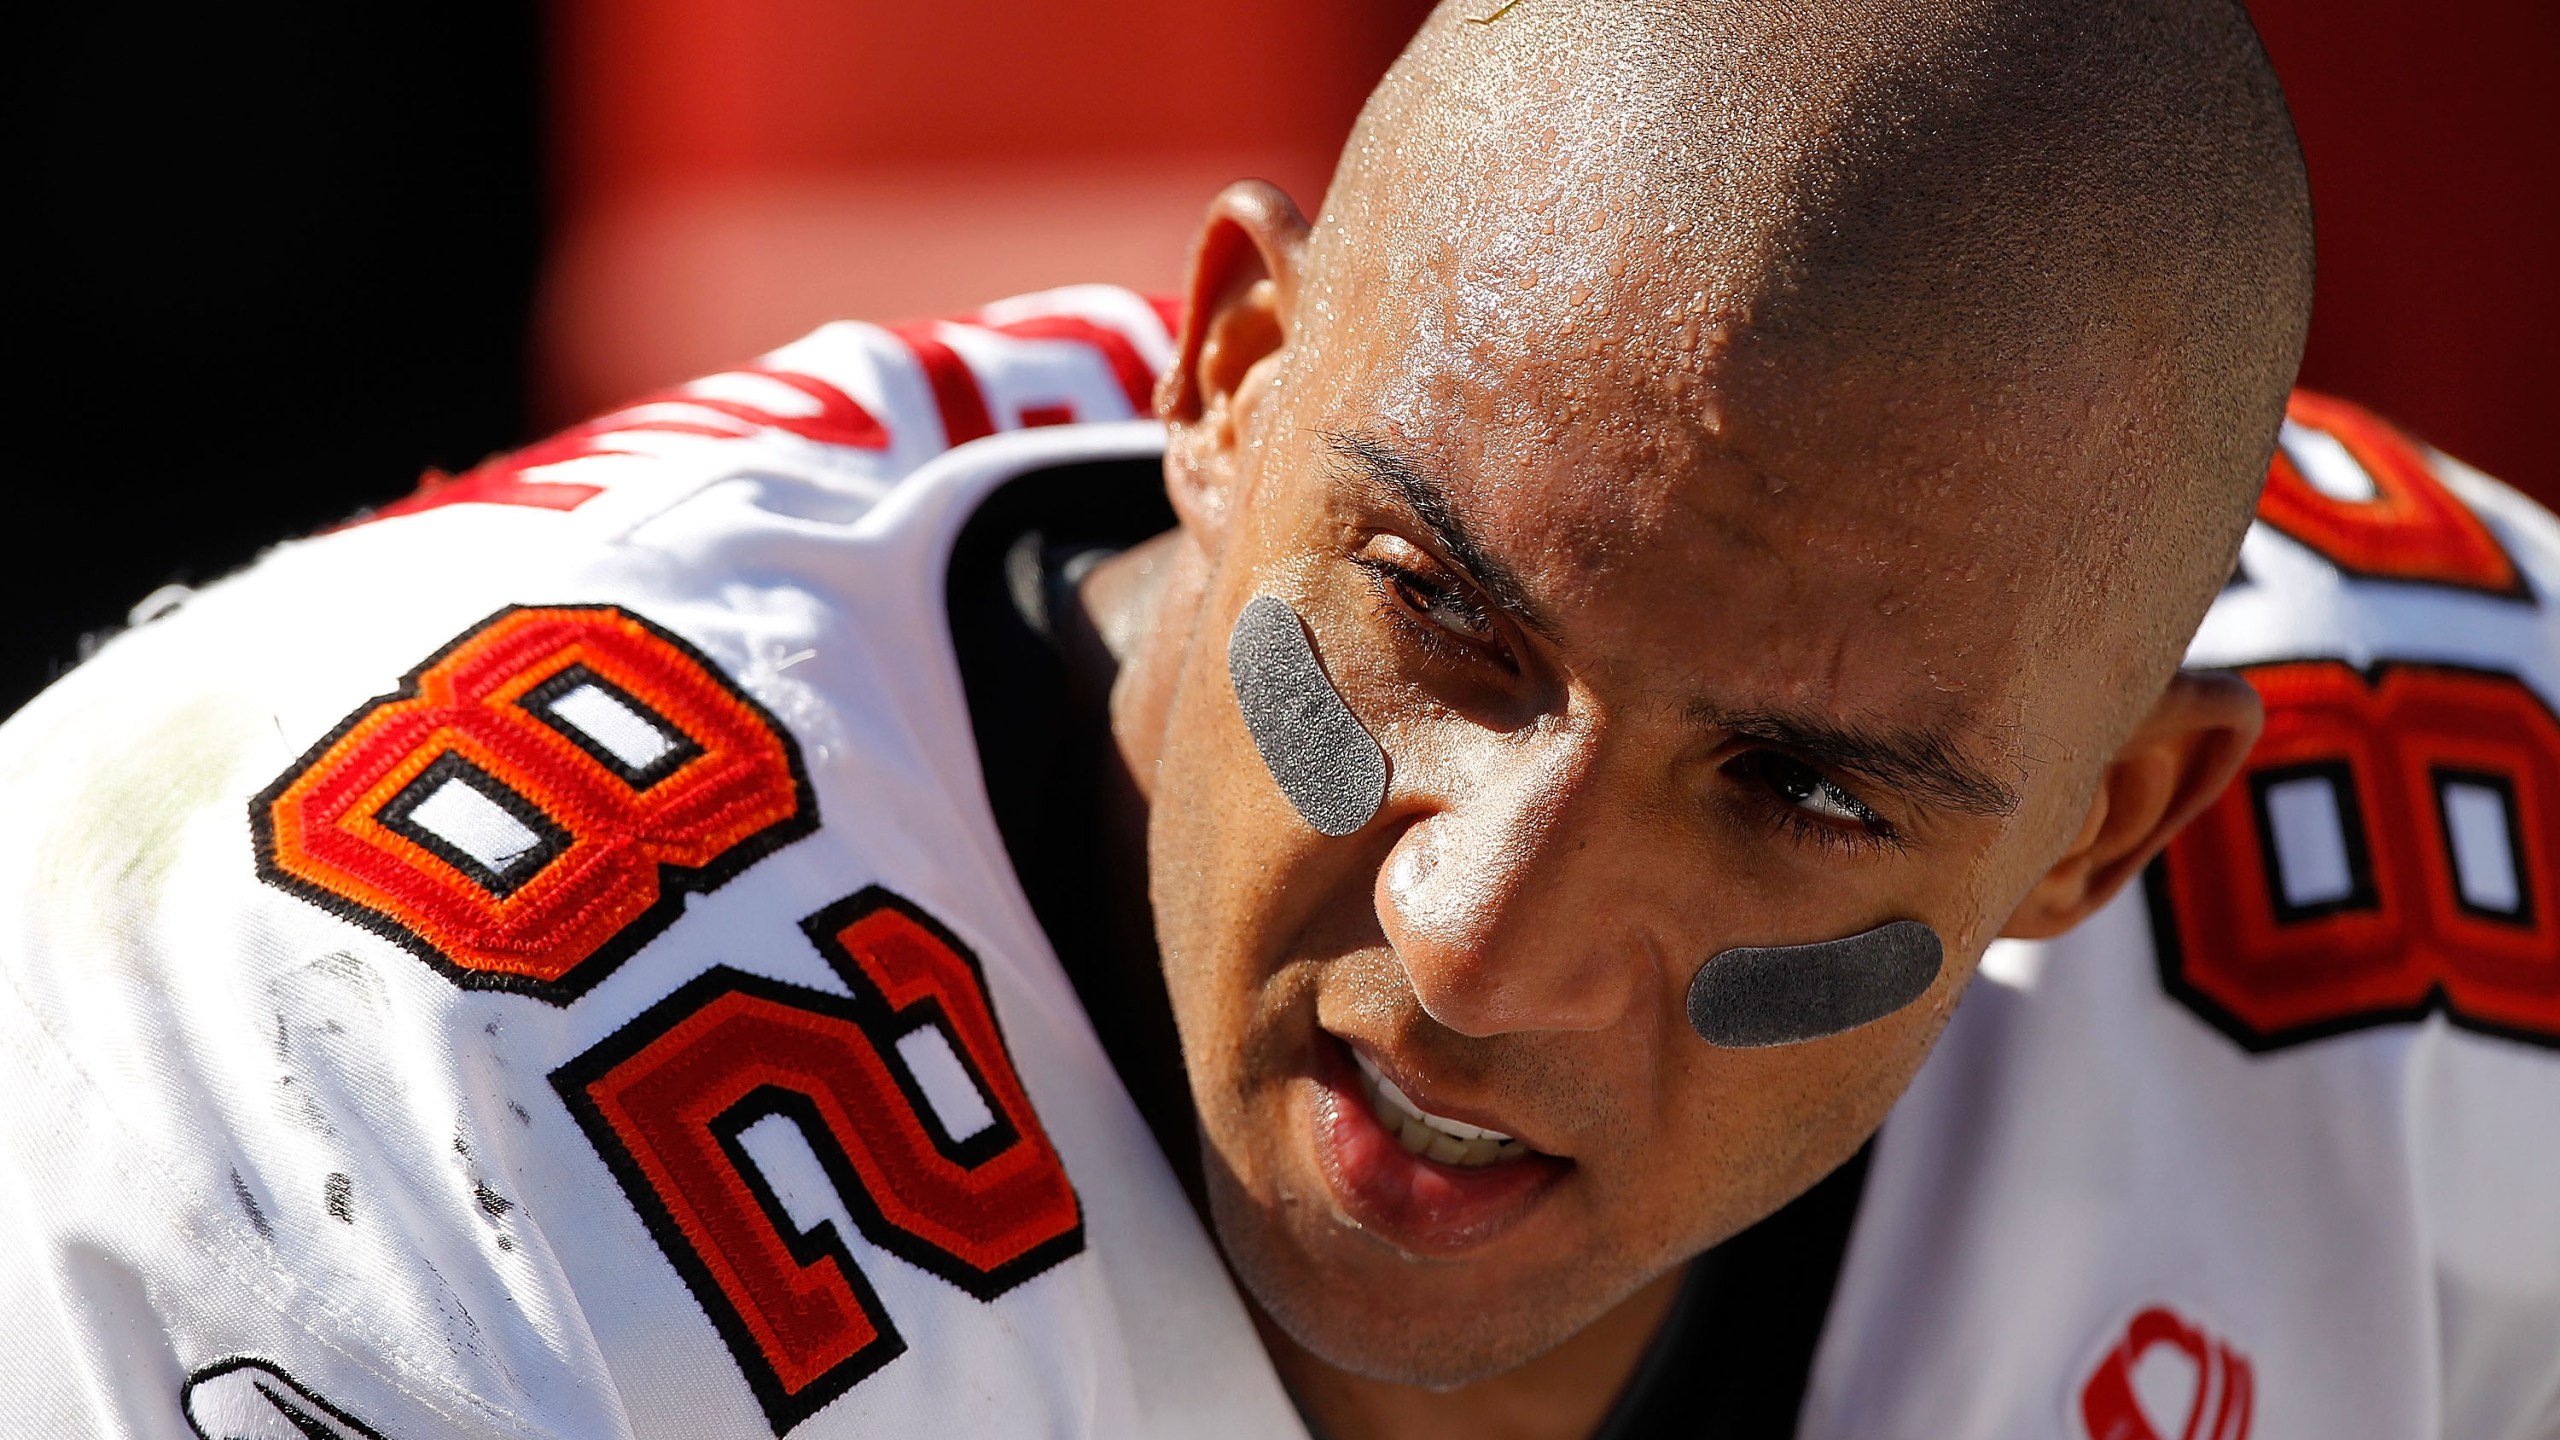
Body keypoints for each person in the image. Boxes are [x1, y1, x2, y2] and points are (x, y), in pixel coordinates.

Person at [3, 2, 2554, 1437]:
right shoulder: (381, 1057)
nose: (1474, 941)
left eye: (1793, 790)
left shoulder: (2464, 899)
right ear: (1229, 377)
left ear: (2104, 832)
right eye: (1444, 622)